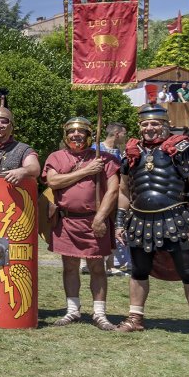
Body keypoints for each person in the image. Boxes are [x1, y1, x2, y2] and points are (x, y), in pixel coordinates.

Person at [115, 103, 189, 342]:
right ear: (139, 126)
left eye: (155, 123)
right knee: (138, 271)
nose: (149, 128)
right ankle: (135, 319)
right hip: (139, 220)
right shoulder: (131, 150)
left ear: (165, 124)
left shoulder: (181, 148)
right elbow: (123, 191)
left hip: (176, 219)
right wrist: (120, 223)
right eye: (145, 124)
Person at [42, 117, 120, 330]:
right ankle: (72, 311)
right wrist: (86, 171)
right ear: (65, 136)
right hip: (67, 219)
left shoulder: (104, 159)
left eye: (81, 132)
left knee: (97, 266)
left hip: (94, 220)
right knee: (69, 267)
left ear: (89, 135)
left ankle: (99, 314)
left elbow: (113, 190)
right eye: (71, 132)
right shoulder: (56, 157)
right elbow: (53, 181)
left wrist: (100, 218)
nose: (76, 136)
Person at [97, 122, 130, 275]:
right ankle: (86, 262)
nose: (125, 136)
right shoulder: (96, 149)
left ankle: (110, 265)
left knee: (111, 230)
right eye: (124, 133)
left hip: (114, 196)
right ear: (117, 134)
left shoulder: (119, 152)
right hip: (97, 197)